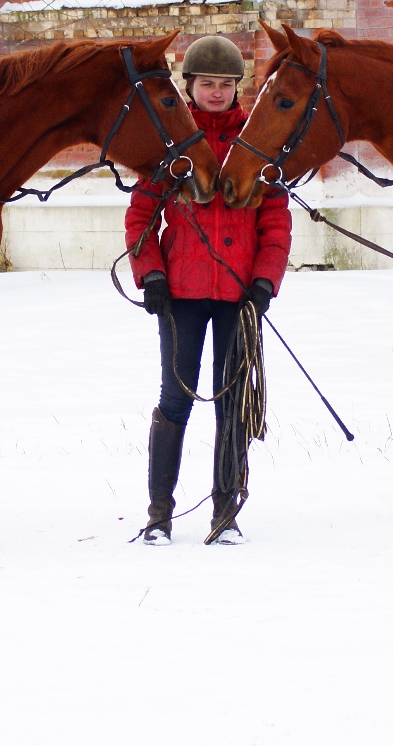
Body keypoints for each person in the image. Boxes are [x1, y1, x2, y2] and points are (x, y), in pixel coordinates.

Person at [125, 35, 291, 546]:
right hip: (181, 296)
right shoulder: (170, 142)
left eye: (225, 84)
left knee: (232, 401)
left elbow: (276, 223)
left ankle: (225, 512)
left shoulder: (258, 141)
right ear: (189, 86)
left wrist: (265, 281)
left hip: (240, 297)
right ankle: (159, 513)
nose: (216, 93)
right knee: (174, 400)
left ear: (237, 88)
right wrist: (150, 273)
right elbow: (140, 217)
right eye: (207, 84)